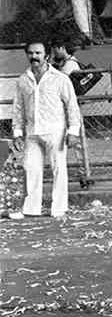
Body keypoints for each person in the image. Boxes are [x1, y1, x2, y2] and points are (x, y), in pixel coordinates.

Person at [8, 41, 81, 220]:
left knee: (59, 169)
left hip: (56, 130)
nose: (34, 57)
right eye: (31, 53)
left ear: (46, 55)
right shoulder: (23, 80)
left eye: (38, 53)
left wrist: (73, 131)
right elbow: (18, 108)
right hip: (32, 131)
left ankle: (59, 208)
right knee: (31, 168)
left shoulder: (60, 78)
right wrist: (17, 133)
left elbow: (72, 105)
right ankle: (31, 209)